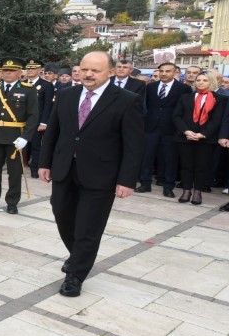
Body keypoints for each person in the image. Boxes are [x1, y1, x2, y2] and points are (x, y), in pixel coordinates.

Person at [39, 51, 144, 297]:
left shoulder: (127, 100)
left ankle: (75, 275)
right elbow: (54, 132)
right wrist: (45, 163)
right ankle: (78, 255)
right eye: (85, 69)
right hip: (65, 168)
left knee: (89, 226)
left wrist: (127, 180)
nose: (88, 74)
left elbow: (134, 144)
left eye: (95, 70)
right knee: (61, 214)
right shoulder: (66, 95)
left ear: (110, 72)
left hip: (101, 174)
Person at [0, 59, 38, 214]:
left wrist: (26, 137)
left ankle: (12, 201)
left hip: (15, 137)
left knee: (14, 172)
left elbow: (33, 116)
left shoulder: (28, 90)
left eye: (11, 71)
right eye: (5, 71)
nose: (7, 73)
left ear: (19, 72)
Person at [137, 62, 192, 197]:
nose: (164, 73)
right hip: (151, 127)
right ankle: (145, 183)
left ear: (175, 73)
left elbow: (185, 110)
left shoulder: (183, 88)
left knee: (170, 159)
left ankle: (168, 186)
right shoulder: (151, 87)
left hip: (171, 129)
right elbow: (146, 106)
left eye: (168, 71)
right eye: (161, 71)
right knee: (147, 157)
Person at [173, 72, 224, 205]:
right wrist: (186, 131)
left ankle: (197, 192)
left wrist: (203, 134)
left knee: (202, 166)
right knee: (186, 166)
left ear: (211, 82)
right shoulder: (185, 97)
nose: (200, 82)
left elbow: (217, 120)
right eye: (198, 80)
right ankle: (186, 190)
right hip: (185, 137)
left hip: (207, 139)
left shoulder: (220, 99)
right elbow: (176, 116)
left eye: (205, 80)